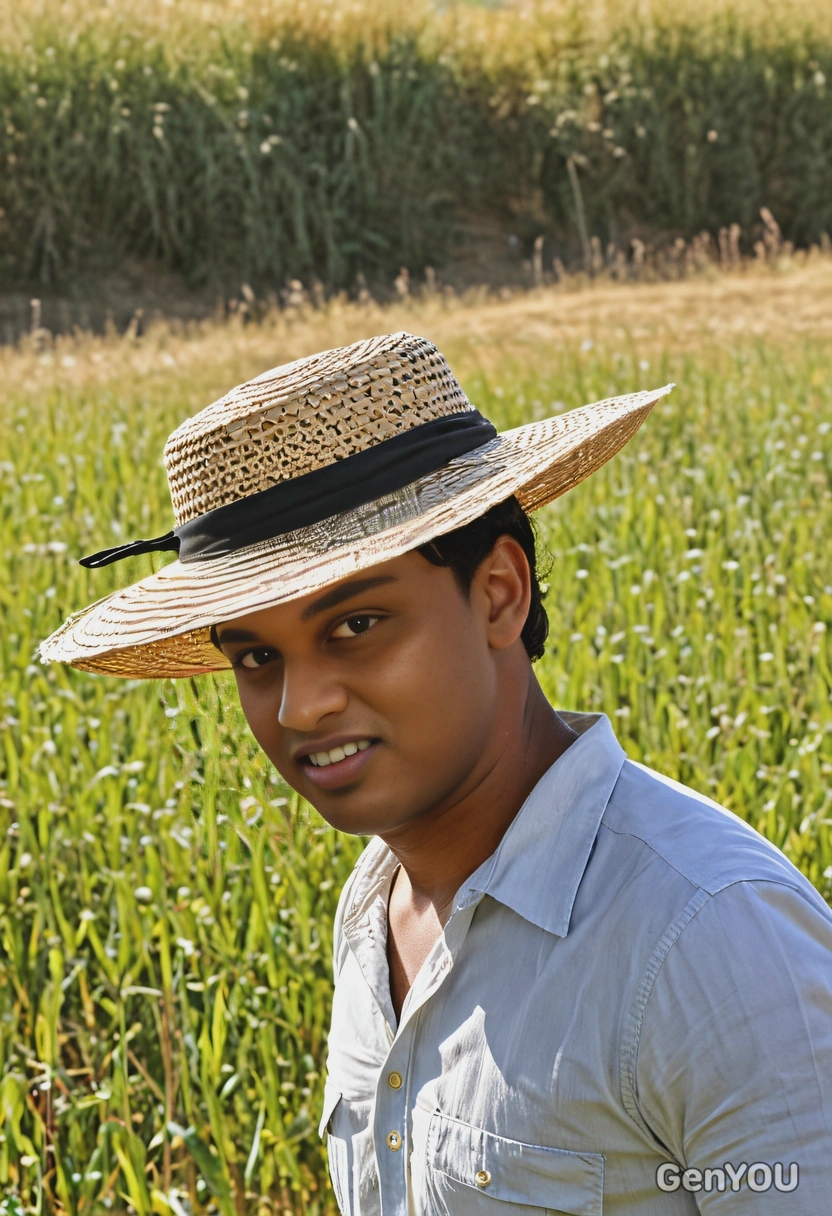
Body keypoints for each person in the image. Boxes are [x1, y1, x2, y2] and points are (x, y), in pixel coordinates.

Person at [41, 332, 832, 1214]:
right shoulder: (375, 909)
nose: (300, 707)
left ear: (498, 593)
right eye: (257, 656)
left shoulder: (707, 935)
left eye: (356, 625)